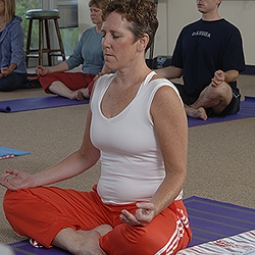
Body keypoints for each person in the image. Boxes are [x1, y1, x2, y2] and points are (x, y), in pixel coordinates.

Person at [1, 0, 192, 254]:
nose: (105, 43)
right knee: (17, 199)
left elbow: (177, 173)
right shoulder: (100, 86)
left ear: (142, 42)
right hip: (100, 206)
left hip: (152, 212)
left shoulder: (161, 94)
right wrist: (33, 179)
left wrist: (153, 208)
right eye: (104, 34)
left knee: (144, 241)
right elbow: (85, 156)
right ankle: (77, 240)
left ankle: (98, 237)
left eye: (115, 36)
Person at [156, 0, 245, 120]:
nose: (199, 0)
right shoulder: (187, 31)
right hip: (189, 93)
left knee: (221, 88)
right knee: (157, 85)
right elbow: (176, 70)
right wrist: (148, 73)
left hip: (216, 96)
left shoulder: (230, 32)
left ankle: (190, 108)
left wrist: (223, 76)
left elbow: (234, 73)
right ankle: (191, 110)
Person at [36, 0, 110, 101]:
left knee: (100, 85)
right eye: (91, 10)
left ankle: (86, 91)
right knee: (46, 77)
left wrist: (100, 77)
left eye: (96, 11)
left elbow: (112, 66)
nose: (92, 14)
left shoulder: (110, 36)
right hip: (84, 77)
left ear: (105, 12)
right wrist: (49, 70)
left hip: (101, 78)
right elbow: (74, 59)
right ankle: (72, 94)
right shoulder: (87, 34)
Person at [0, 0, 27, 91]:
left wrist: (9, 70)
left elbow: (17, 53)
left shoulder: (15, 26)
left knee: (4, 84)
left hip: (15, 71)